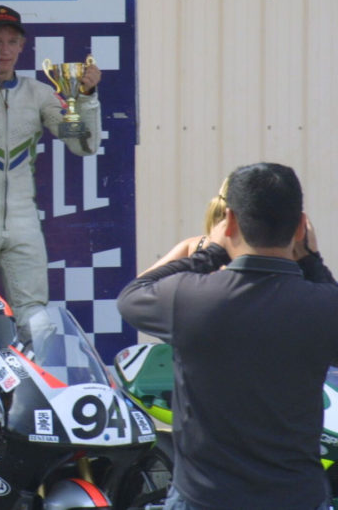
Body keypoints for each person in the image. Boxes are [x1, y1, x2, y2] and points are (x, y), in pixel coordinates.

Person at [117, 163, 338, 510]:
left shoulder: (189, 298)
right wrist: (313, 262)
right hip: (298, 498)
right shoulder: (325, 306)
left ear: (229, 222)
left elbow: (132, 297)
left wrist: (208, 252)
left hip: (205, 498)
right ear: (300, 227)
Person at [0, 5, 101, 336]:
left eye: (12, 42)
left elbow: (82, 146)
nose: (3, 51)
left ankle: (31, 385)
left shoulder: (39, 92)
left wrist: (86, 98)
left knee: (37, 319)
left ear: (22, 46)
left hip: (23, 218)